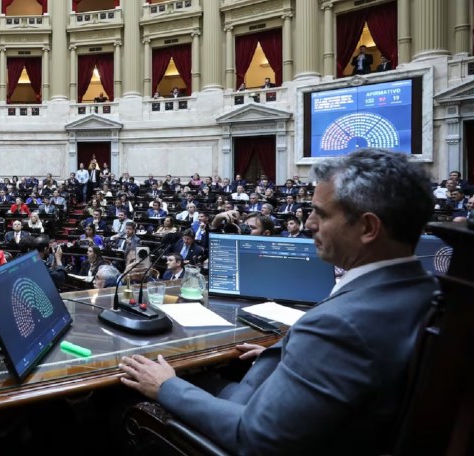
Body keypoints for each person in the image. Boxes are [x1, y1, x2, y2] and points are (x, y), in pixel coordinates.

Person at [119, 148, 437, 455]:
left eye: (321, 214)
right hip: (323, 422)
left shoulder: (340, 326)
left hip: (262, 435)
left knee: (117, 406)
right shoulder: (427, 291)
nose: (309, 224)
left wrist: (166, 387)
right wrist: (296, 356)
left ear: (368, 228)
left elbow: (254, 438)